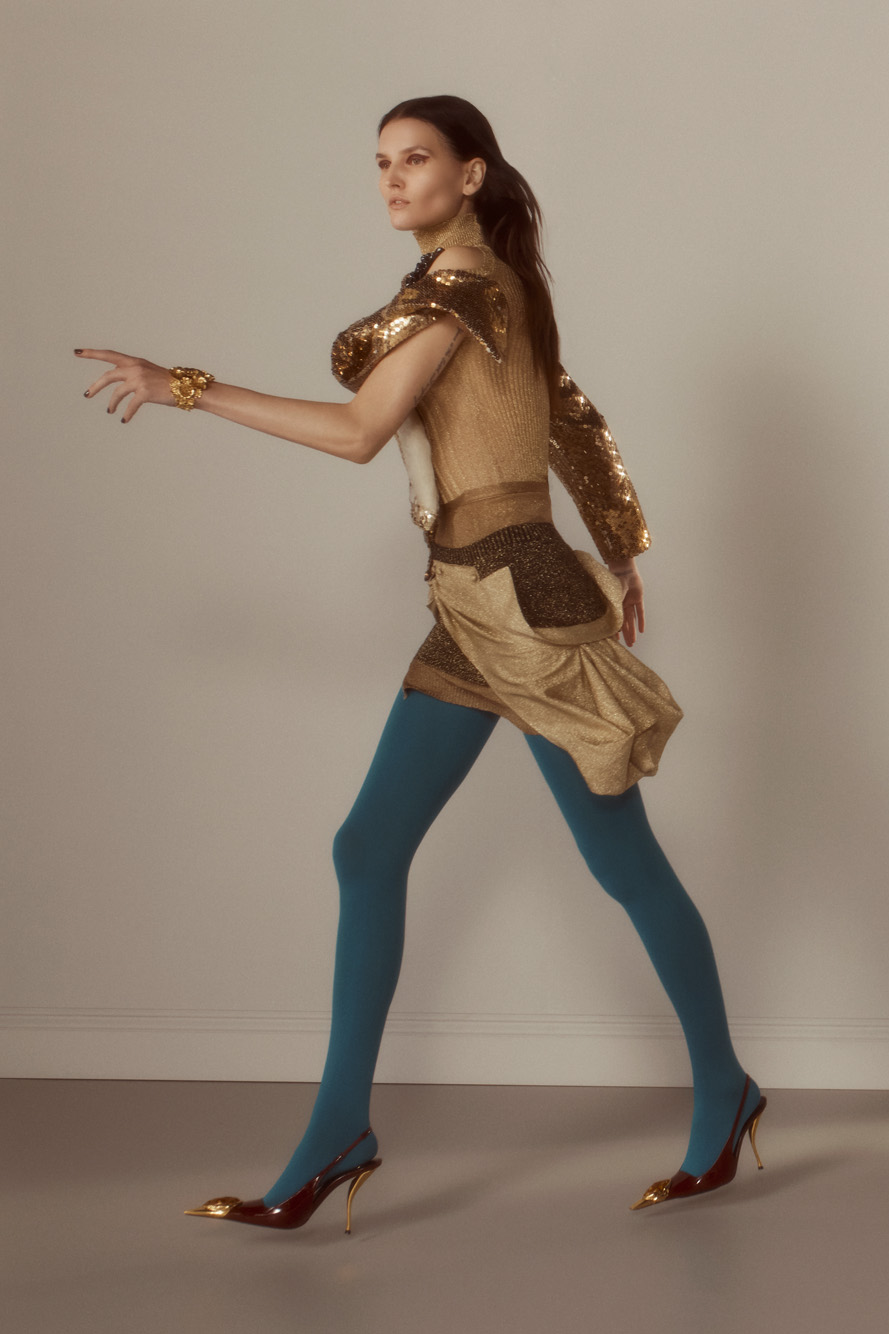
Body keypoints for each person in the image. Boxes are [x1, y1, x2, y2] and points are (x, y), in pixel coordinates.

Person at [75, 95, 763, 1232]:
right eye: (382, 163)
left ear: (472, 173)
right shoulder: (480, 282)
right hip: (470, 601)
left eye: (417, 160)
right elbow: (564, 415)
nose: (393, 179)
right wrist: (622, 544)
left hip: (524, 605)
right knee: (369, 845)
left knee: (622, 865)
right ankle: (339, 1130)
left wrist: (183, 385)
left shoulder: (461, 285)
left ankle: (724, 1090)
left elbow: (358, 435)